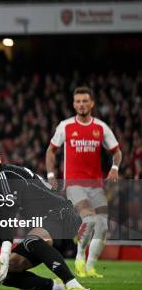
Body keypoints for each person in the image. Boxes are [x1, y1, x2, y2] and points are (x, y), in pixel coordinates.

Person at [0, 139, 93, 290]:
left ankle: (74, 286)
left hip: (62, 215)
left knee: (33, 240)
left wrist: (4, 251)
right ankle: (57, 286)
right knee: (5, 273)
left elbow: (8, 220)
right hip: (46, 224)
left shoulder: (9, 176)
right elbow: (0, 225)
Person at [46, 86, 121, 278]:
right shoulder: (66, 126)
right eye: (78, 101)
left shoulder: (101, 128)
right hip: (74, 184)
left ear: (92, 103)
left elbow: (117, 151)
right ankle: (79, 258)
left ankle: (90, 267)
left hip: (95, 185)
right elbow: (51, 150)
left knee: (103, 226)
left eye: (85, 101)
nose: (81, 104)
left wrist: (115, 168)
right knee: (90, 219)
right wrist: (51, 175)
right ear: (73, 104)